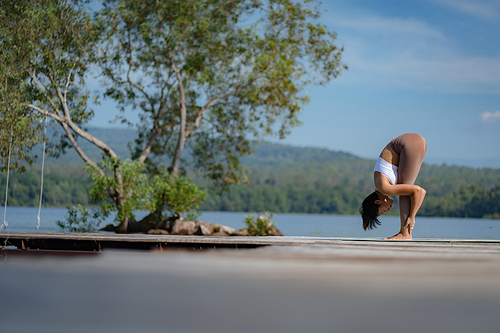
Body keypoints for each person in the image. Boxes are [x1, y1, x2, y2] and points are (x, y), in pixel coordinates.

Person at [360, 133, 427, 240]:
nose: (387, 210)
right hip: (413, 141)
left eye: (383, 211)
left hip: (410, 143)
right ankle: (405, 233)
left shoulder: (384, 188)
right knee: (404, 189)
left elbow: (420, 191)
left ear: (377, 202)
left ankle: (405, 233)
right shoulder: (380, 185)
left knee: (404, 191)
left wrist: (411, 217)